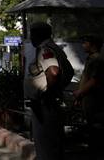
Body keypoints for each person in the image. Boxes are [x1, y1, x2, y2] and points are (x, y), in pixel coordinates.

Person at [24, 22, 73, 160]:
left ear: (39, 34)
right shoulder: (53, 48)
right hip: (48, 105)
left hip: (45, 106)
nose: (31, 37)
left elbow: (53, 72)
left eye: (32, 34)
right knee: (52, 144)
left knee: (45, 145)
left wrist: (48, 95)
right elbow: (67, 72)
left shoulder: (45, 49)